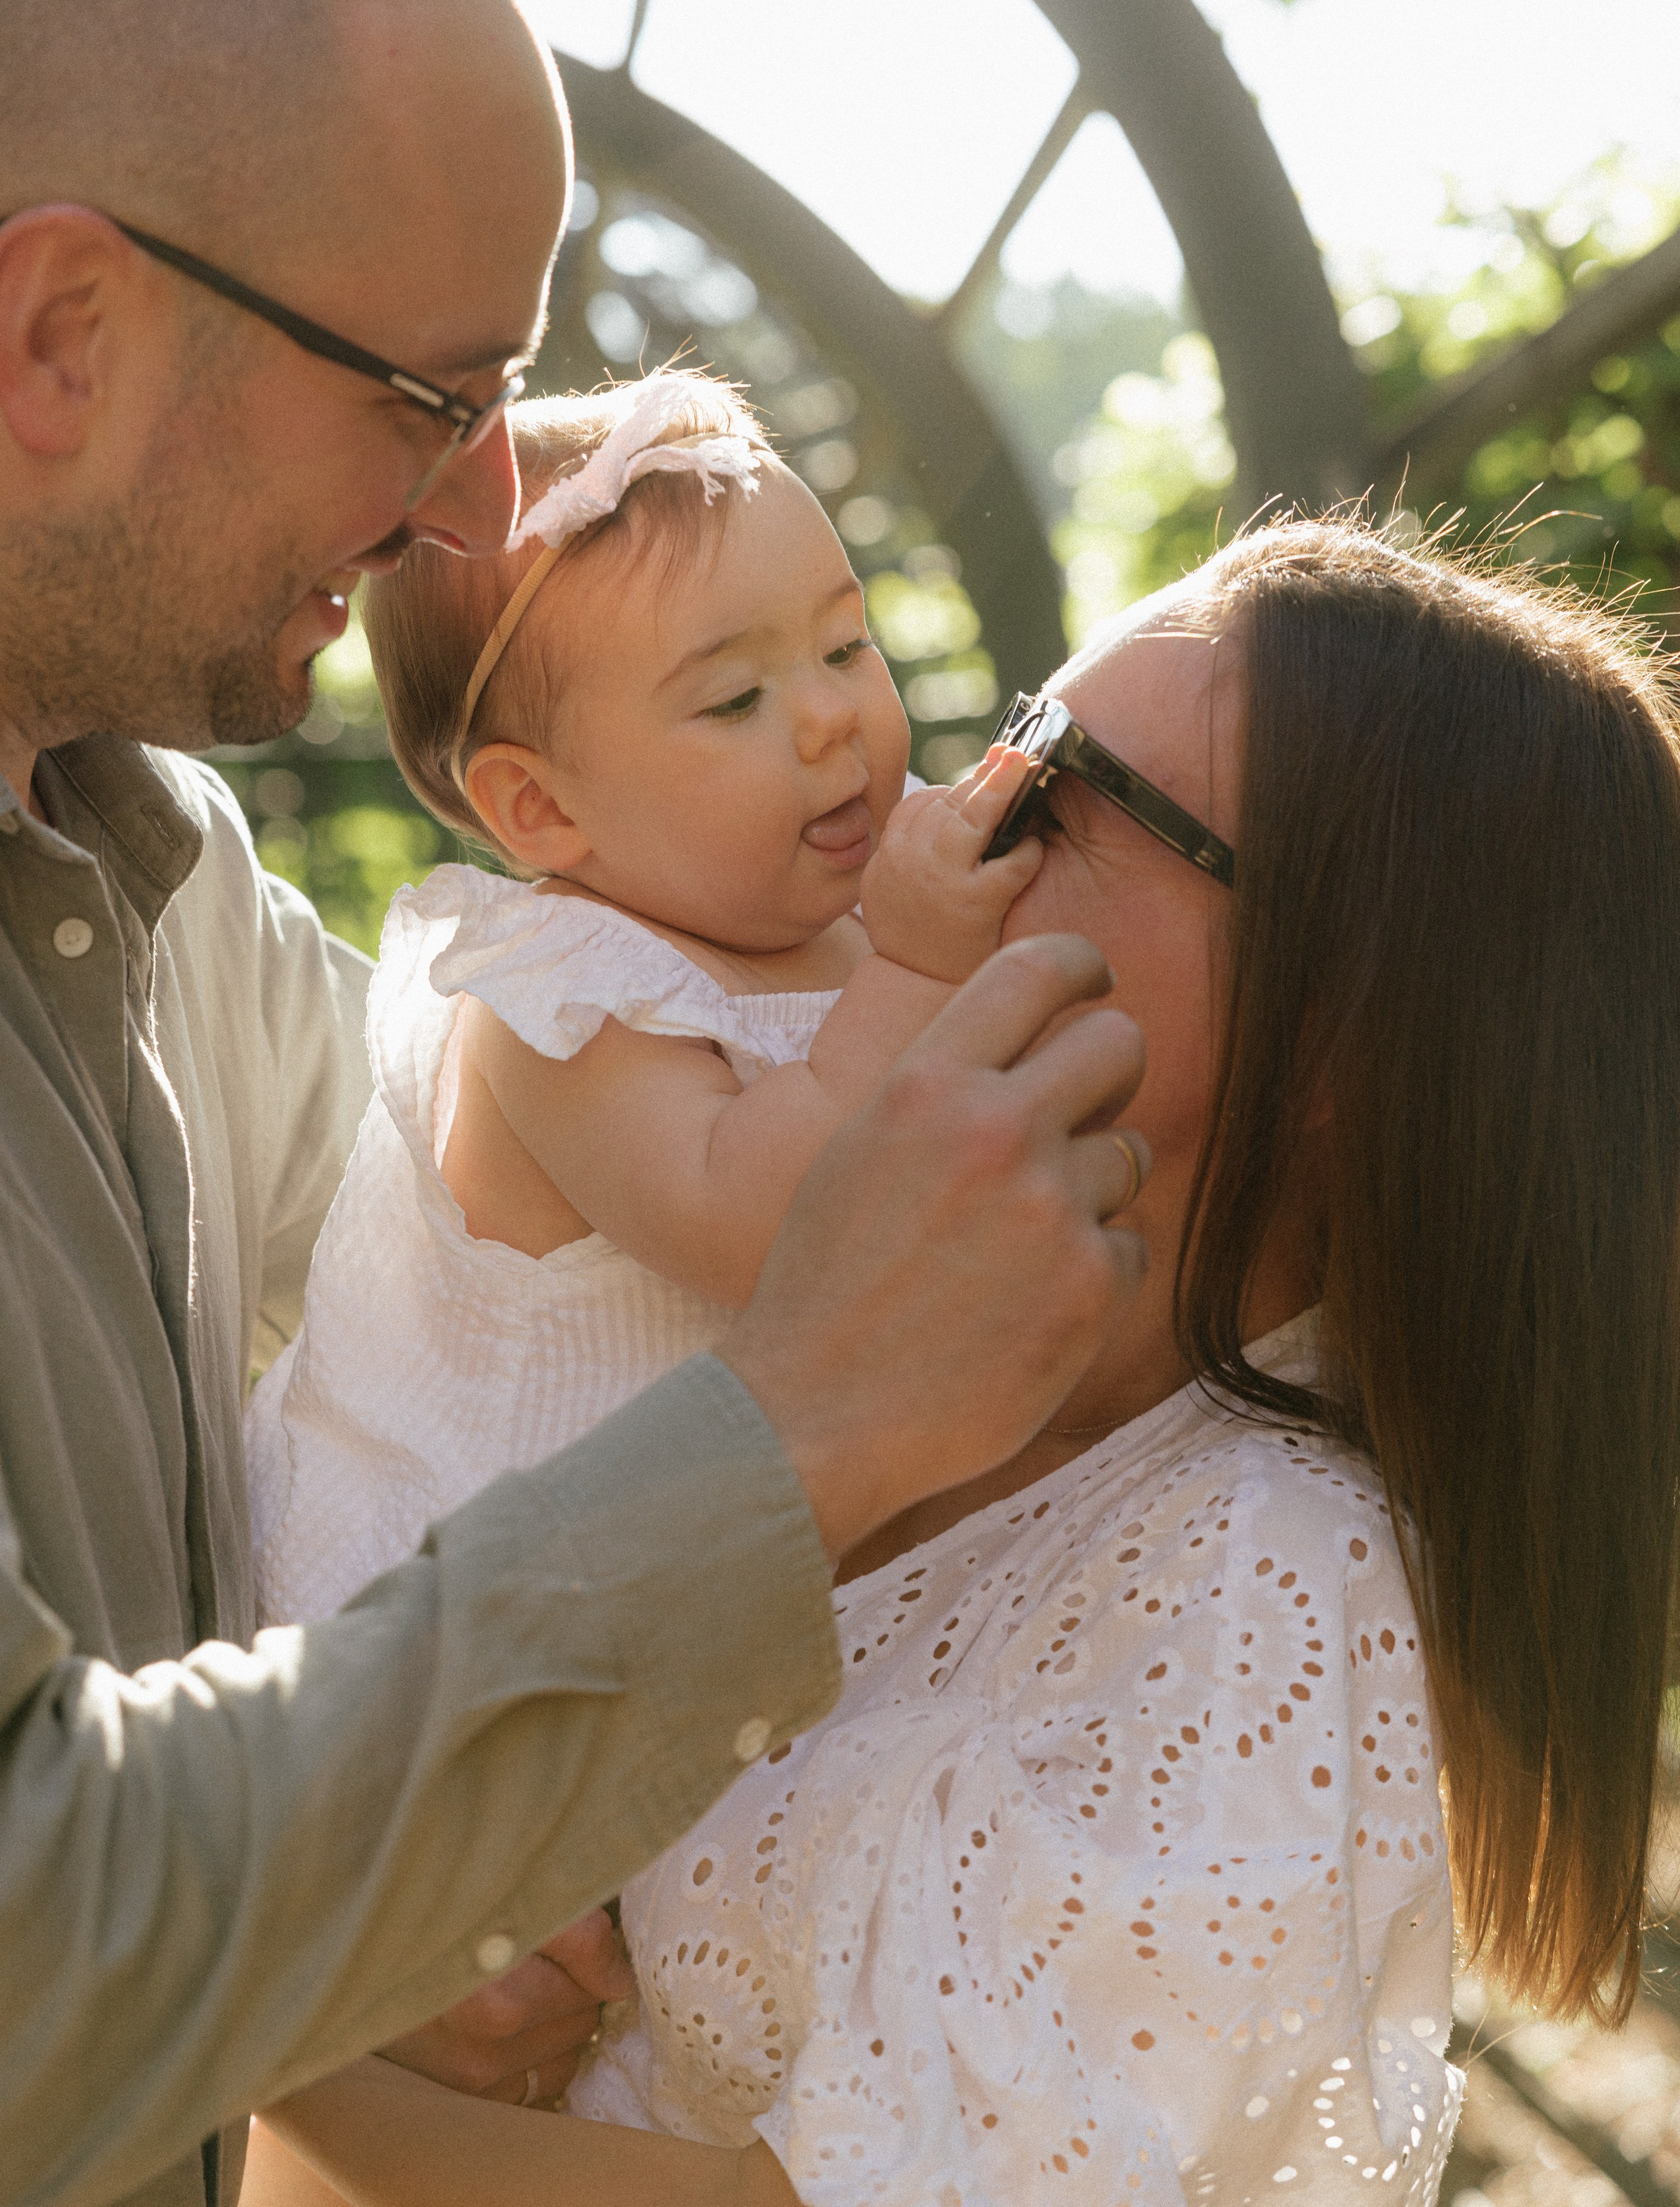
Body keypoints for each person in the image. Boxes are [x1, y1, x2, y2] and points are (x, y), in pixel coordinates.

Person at [0, 0, 1152, 2207]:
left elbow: (435, 1313)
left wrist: (372, 1876)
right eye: (432, 391)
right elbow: (37, 1939)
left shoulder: (153, 876)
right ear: (55, 334)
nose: (479, 514)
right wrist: (809, 1418)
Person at [251, 523, 1680, 2206]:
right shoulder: (751, 1324)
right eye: (994, 739)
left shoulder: (1259, 1581)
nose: (934, 814)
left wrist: (242, 2023)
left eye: (1055, 790)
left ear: (1334, 1028)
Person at [245, 368, 1067, 1625]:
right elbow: (764, 1228)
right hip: (510, 1613)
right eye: (735, 698)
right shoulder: (565, 996)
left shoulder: (863, 895)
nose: (830, 717)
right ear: (543, 808)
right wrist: (918, 969)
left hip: (740, 1548)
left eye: (847, 643)